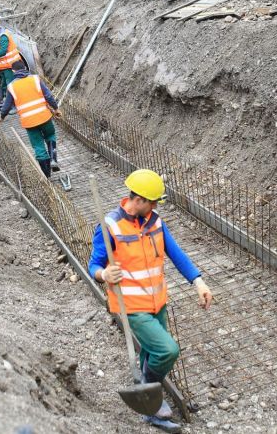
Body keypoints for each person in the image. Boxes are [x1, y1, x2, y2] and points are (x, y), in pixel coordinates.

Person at [88, 169, 213, 430]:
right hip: (132, 307)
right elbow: (94, 265)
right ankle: (149, 396)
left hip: (158, 302)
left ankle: (148, 396)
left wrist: (198, 281)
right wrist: (104, 274)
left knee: (151, 351)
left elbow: (176, 254)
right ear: (140, 200)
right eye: (153, 201)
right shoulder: (110, 226)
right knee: (167, 350)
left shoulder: (155, 222)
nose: (156, 206)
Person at [0, 59, 61, 177]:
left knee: (38, 146)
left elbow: (7, 105)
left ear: (13, 71)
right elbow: (48, 96)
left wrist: (1, 116)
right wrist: (56, 109)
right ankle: (53, 160)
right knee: (50, 135)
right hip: (44, 116)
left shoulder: (11, 86)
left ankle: (47, 176)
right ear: (25, 68)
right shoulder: (35, 79)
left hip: (29, 122)